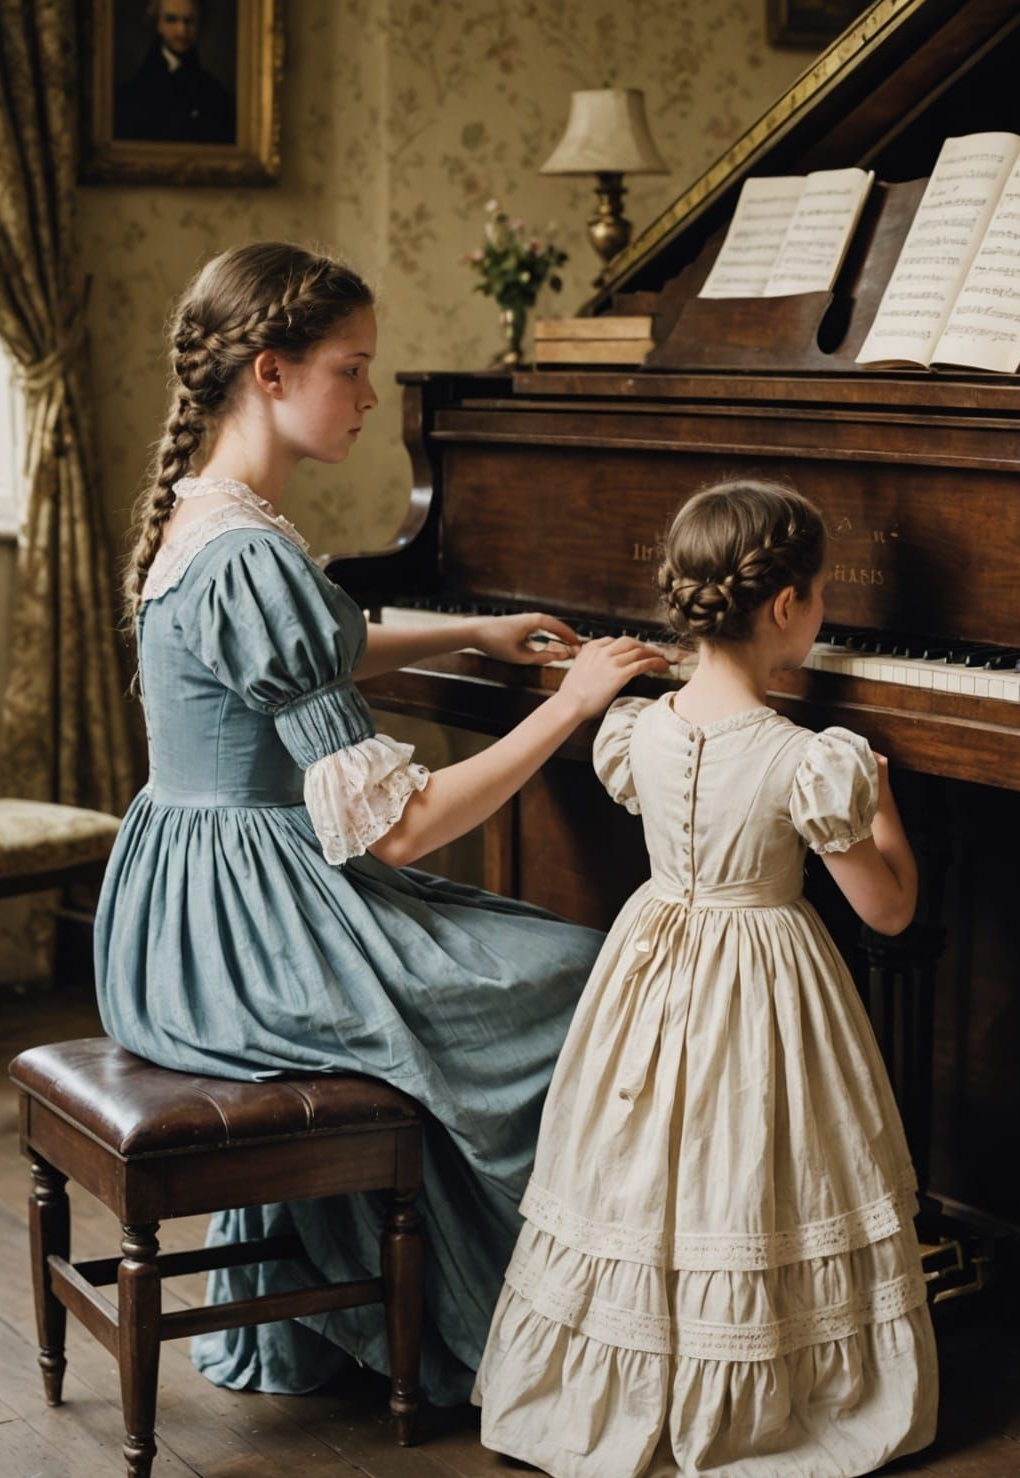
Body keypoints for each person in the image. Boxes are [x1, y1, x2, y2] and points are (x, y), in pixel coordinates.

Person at [93, 241, 670, 1408]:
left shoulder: (204, 517)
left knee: (509, 951)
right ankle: (564, 1322)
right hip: (246, 940)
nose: (367, 397)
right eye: (351, 370)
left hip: (172, 922)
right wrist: (573, 703)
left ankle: (368, 1305)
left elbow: (309, 648)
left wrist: (472, 632)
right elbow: (400, 833)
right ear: (269, 371)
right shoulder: (251, 552)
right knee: (588, 971)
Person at [475, 479, 938, 1478]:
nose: (825, 613)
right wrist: (886, 803)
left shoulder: (637, 730)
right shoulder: (812, 761)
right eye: (821, 596)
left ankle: (618, 1386)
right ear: (784, 608)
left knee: (646, 1170)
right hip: (764, 978)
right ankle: (747, 1396)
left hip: (650, 962)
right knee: (754, 1164)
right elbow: (890, 912)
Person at [115, 0, 236, 145]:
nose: (181, 30)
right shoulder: (131, 93)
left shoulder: (216, 93)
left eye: (189, 21)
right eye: (171, 20)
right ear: (158, 24)